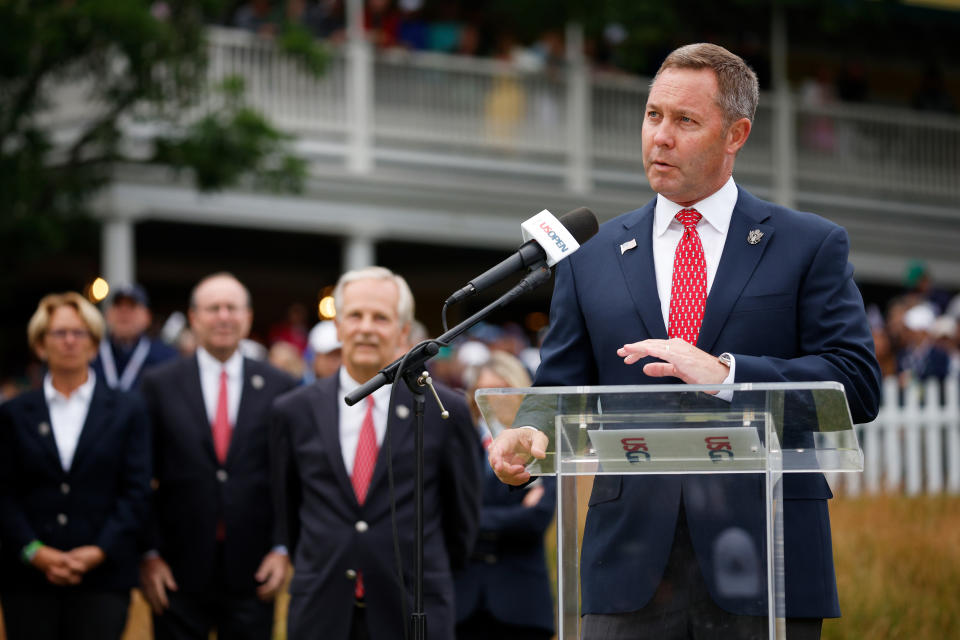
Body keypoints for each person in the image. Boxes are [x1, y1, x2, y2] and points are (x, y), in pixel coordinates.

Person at [488, 43, 882, 640]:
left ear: (736, 134)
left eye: (685, 121)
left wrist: (726, 375)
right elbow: (559, 386)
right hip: (628, 566)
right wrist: (530, 437)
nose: (660, 137)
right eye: (652, 116)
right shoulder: (589, 257)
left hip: (769, 559)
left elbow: (855, 384)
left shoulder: (809, 245)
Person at [270, 266, 482, 640]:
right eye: (355, 315)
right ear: (338, 327)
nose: (366, 328)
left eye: (380, 317)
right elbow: (287, 507)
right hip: (320, 610)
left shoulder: (441, 408)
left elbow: (461, 519)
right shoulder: (293, 410)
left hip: (415, 610)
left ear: (403, 332)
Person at [139, 273, 298, 640]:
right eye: (213, 309)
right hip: (175, 572)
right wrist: (148, 553)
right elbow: (141, 474)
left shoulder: (280, 386)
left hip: (255, 571)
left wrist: (281, 548)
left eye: (232, 308)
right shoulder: (158, 385)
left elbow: (288, 476)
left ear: (248, 317)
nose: (223, 317)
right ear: (194, 318)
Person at [0, 292, 151, 640]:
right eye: (59, 333)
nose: (69, 341)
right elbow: (4, 494)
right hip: (30, 580)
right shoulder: (13, 413)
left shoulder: (128, 410)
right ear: (40, 345)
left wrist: (99, 551)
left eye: (79, 333)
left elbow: (136, 490)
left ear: (94, 345)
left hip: (103, 577)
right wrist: (34, 552)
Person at [454, 351, 555, 640]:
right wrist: (512, 516)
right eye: (484, 392)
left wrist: (472, 520)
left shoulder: (541, 446)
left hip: (522, 602)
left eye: (505, 390)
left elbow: (537, 519)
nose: (496, 401)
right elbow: (445, 516)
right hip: (463, 602)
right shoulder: (458, 444)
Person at [91, 283, 177, 391]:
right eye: (118, 306)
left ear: (147, 316)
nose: (124, 312)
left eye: (132, 306)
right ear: (107, 314)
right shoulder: (91, 353)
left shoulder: (166, 358)